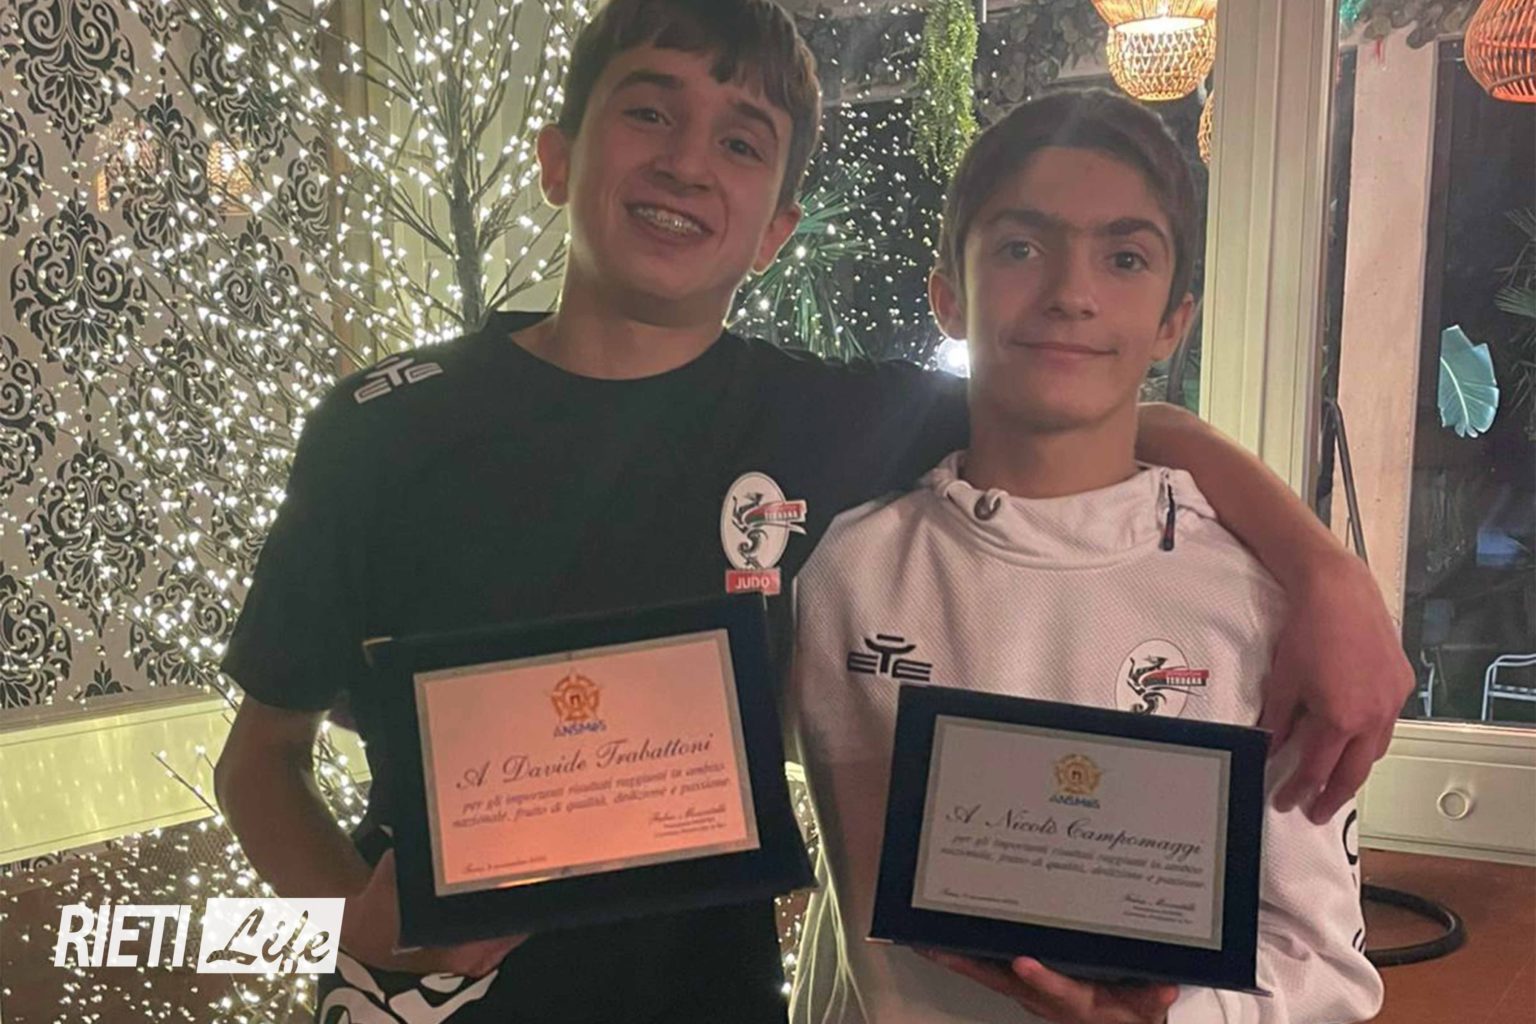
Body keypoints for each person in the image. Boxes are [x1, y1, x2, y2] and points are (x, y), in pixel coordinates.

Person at [212, 2, 1410, 1021]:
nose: (688, 164)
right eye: (649, 112)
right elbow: (258, 761)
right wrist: (358, 935)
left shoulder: (828, 422)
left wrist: (1325, 575)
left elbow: (1084, 403)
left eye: (741, 141)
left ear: (777, 231)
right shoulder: (381, 430)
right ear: (556, 159)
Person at [788, 89, 1385, 1024]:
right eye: (1021, 249)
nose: (1072, 293)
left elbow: (1326, 965)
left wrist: (1169, 1019)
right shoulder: (841, 570)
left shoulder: (1264, 608)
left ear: (1174, 320)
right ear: (949, 295)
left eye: (1125, 257)